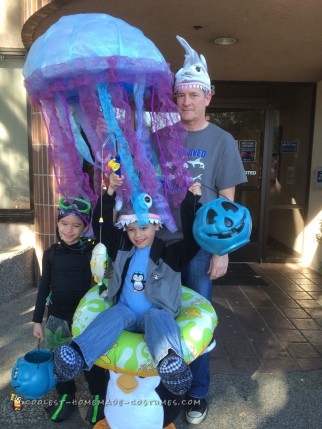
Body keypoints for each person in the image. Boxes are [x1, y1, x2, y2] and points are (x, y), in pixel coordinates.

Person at [156, 36, 247, 424]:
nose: (187, 101)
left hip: (199, 247)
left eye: (195, 94)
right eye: (181, 95)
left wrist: (221, 251)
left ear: (209, 96)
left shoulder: (222, 141)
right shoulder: (162, 138)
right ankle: (165, 385)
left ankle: (197, 392)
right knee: (161, 315)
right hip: (163, 243)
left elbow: (227, 204)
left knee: (199, 321)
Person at [53, 173, 202, 397]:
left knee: (156, 317)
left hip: (156, 314)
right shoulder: (123, 248)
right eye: (131, 229)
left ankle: (171, 363)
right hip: (127, 313)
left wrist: (191, 202)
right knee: (114, 314)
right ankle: (77, 354)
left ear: (155, 226)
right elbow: (101, 227)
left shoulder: (170, 254)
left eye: (143, 228)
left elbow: (192, 240)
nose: (137, 235)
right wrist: (109, 193)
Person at [32, 197, 108, 424]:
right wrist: (37, 320)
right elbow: (44, 286)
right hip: (56, 316)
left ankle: (98, 397)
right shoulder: (51, 253)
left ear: (86, 227)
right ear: (57, 223)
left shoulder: (92, 251)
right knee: (60, 360)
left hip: (85, 318)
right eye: (64, 223)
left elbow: (101, 278)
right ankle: (66, 395)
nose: (69, 230)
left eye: (77, 225)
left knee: (89, 360)